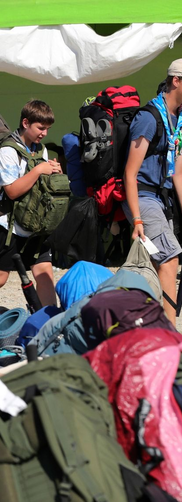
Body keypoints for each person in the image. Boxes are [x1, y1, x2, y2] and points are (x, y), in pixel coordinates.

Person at [0, 100, 61, 308]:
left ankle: (50, 321)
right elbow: (11, 191)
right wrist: (39, 170)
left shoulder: (41, 150)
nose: (44, 133)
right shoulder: (8, 151)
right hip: (7, 224)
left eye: (47, 129)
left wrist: (55, 175)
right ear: (26, 123)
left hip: (35, 223)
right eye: (41, 128)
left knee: (44, 272)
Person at [124, 59, 182, 323]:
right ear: (176, 81)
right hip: (142, 196)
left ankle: (150, 323)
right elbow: (130, 173)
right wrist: (137, 218)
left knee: (158, 262)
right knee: (169, 258)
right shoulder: (149, 118)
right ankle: (170, 333)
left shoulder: (178, 120)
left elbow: (177, 173)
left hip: (161, 198)